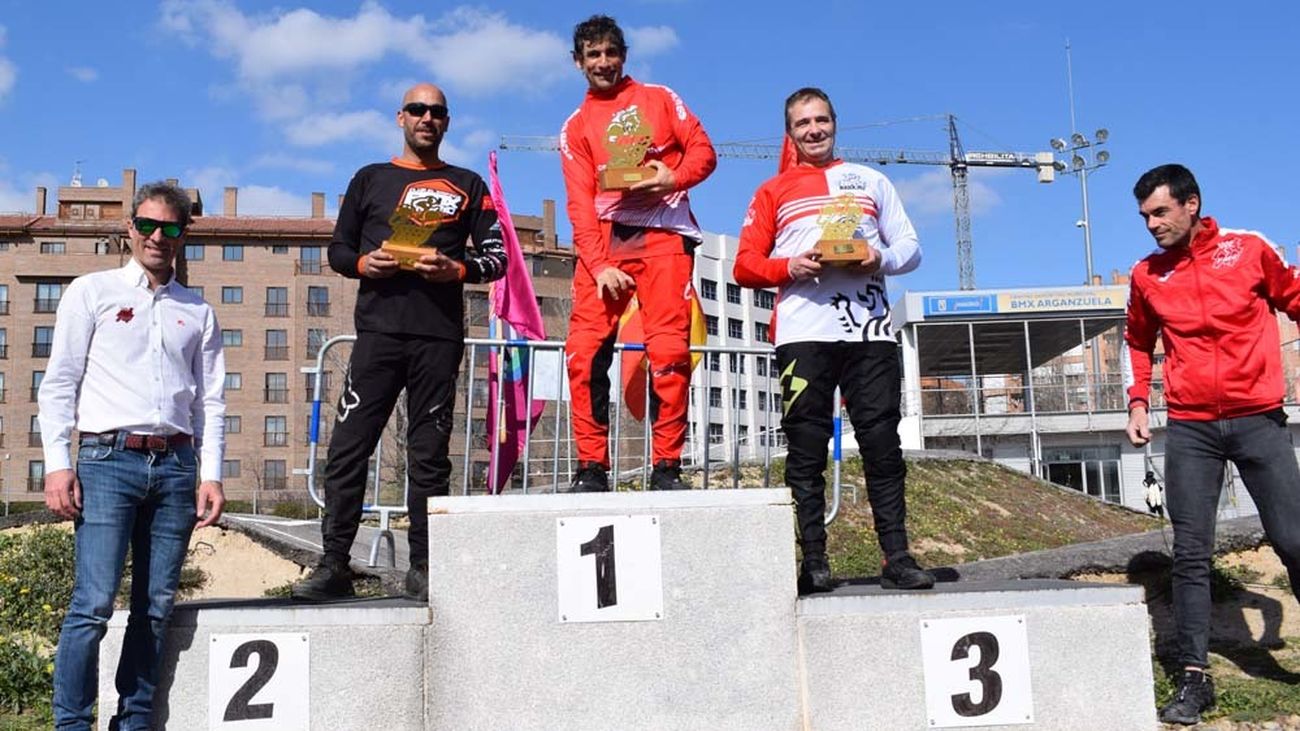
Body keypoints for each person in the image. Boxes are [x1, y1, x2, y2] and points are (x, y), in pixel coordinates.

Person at [291, 83, 506, 602]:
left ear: (447, 122)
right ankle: (335, 562)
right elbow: (339, 251)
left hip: (438, 336)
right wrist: (366, 263)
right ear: (400, 118)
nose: (426, 118)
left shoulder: (469, 183)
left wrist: (458, 268)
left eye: (437, 111)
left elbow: (498, 258)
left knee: (429, 456)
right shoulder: (370, 178)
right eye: (417, 109)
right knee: (348, 448)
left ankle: (425, 567)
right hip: (378, 334)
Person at [38, 181, 226, 730]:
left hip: (175, 467)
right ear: (130, 228)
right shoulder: (90, 292)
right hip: (106, 461)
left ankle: (134, 719)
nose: (157, 237)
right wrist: (56, 464)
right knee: (92, 604)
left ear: (182, 235)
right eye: (147, 225)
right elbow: (60, 384)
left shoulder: (198, 311)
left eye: (170, 228)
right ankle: (72, 723)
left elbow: (210, 401)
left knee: (155, 605)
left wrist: (209, 475)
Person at [734, 87, 933, 595]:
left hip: (870, 333)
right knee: (805, 450)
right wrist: (789, 266)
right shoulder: (771, 191)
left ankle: (898, 555)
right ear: (790, 132)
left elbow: (910, 248)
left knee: (883, 447)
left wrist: (877, 258)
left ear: (835, 123)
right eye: (803, 123)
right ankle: (815, 560)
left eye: (821, 120)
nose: (814, 130)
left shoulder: (870, 180)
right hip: (804, 334)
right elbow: (744, 265)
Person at [1124, 163, 1300, 725]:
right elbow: (1137, 339)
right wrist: (1137, 400)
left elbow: (1295, 299)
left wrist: (1272, 628)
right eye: (1145, 216)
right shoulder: (1147, 274)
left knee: (1292, 539)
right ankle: (1195, 679)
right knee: (1191, 553)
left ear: (1191, 203)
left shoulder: (1248, 249)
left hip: (1258, 419)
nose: (1152, 224)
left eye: (1160, 212)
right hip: (1193, 427)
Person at [560, 14, 717, 492]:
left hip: (665, 236)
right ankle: (591, 466)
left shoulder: (660, 98)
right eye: (593, 55)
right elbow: (579, 205)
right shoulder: (574, 127)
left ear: (623, 54)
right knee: (583, 356)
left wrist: (673, 177)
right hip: (606, 243)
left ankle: (667, 465)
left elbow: (704, 152)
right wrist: (600, 263)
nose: (603, 62)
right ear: (578, 62)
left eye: (611, 52)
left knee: (669, 353)